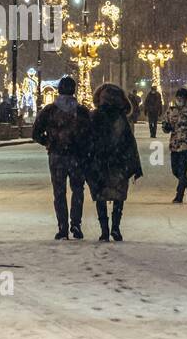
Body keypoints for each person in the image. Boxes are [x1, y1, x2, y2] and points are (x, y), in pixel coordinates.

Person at [32, 75, 90, 240]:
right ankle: (76, 224)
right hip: (77, 156)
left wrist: (49, 142)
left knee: (59, 192)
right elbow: (89, 135)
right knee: (77, 190)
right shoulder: (81, 111)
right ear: (74, 90)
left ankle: (63, 227)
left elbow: (35, 133)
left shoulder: (49, 110)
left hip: (57, 156)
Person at [85, 84, 142, 241]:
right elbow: (130, 143)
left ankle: (104, 231)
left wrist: (86, 161)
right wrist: (134, 165)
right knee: (118, 196)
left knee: (100, 196)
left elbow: (87, 140)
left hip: (99, 162)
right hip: (119, 163)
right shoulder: (121, 119)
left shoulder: (94, 116)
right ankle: (115, 228)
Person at [161, 87, 187, 202]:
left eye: (182, 98)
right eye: (178, 97)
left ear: (186, 99)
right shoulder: (171, 110)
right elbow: (165, 125)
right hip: (174, 145)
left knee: (182, 170)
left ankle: (179, 195)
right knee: (175, 170)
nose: (179, 99)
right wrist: (166, 127)